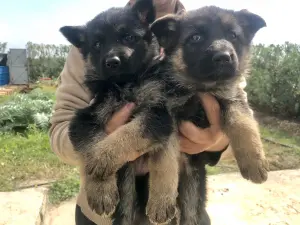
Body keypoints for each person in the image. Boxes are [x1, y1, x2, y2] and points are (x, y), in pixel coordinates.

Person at [49, 0, 249, 224]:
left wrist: (218, 141)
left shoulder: (210, 24)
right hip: (105, 214)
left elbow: (237, 109)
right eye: (98, 46)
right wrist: (105, 155)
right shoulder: (94, 33)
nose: (112, 53)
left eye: (129, 38)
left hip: (185, 208)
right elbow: (63, 127)